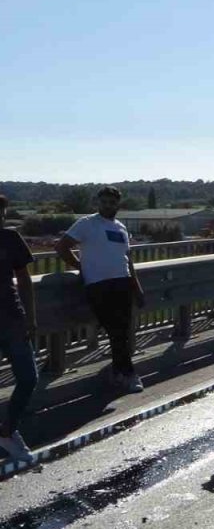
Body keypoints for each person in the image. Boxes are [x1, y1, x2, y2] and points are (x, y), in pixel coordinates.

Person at [55, 187, 147, 393]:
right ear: (98, 203)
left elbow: (127, 260)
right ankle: (129, 374)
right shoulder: (87, 223)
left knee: (121, 331)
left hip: (122, 283)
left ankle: (119, 373)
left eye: (112, 202)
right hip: (98, 285)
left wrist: (137, 288)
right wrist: (81, 266)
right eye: (104, 202)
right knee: (115, 329)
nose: (108, 206)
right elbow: (62, 247)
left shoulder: (121, 228)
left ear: (118, 205)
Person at [0, 195, 39, 463]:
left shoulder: (11, 237)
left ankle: (7, 431)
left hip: (12, 317)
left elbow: (24, 280)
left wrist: (31, 317)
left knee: (28, 378)